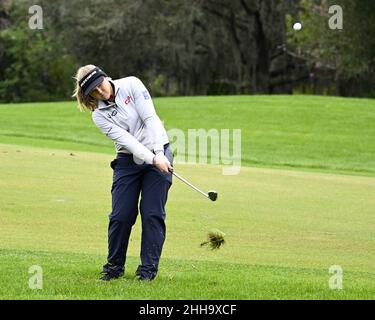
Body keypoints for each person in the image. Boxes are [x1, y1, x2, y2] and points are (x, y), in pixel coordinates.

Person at [73, 65, 173, 281]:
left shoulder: (132, 84)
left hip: (160, 150)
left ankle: (147, 272)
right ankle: (114, 268)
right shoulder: (98, 115)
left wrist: (158, 153)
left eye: (100, 85)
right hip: (128, 160)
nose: (100, 92)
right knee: (121, 216)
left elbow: (151, 119)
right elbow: (128, 142)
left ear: (106, 77)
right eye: (94, 91)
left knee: (152, 213)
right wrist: (152, 158)